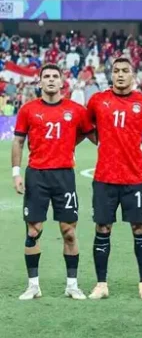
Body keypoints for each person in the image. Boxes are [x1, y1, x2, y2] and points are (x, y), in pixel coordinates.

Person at [86, 57, 142, 300]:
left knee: (140, 228)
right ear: (111, 74)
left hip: (134, 178)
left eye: (125, 71)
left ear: (133, 75)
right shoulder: (98, 101)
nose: (120, 75)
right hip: (105, 177)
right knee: (103, 228)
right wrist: (102, 142)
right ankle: (101, 284)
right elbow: (86, 127)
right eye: (116, 71)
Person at [13, 64, 95, 300]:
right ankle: (33, 286)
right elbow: (18, 142)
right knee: (33, 230)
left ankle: (72, 285)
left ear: (62, 82)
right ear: (40, 82)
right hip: (36, 176)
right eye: (46, 76)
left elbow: (91, 134)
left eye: (54, 76)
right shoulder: (28, 110)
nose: (50, 80)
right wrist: (16, 173)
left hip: (64, 176)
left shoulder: (76, 110)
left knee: (69, 232)